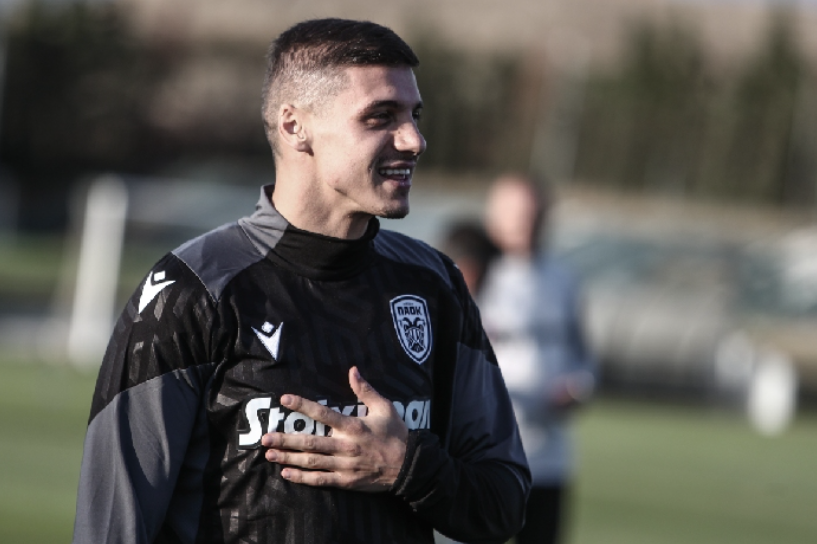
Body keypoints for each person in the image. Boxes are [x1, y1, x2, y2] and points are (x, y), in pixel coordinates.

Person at [72, 18, 530, 544]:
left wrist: (406, 467)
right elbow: (111, 529)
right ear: (295, 127)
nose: (414, 140)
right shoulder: (192, 291)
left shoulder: (434, 285)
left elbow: (504, 505)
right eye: (381, 116)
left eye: (414, 116)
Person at [478, 175, 595, 544]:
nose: (525, 224)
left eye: (533, 214)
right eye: (516, 215)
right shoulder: (473, 277)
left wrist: (577, 389)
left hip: (548, 459)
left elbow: (584, 358)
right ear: (493, 217)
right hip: (484, 456)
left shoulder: (563, 280)